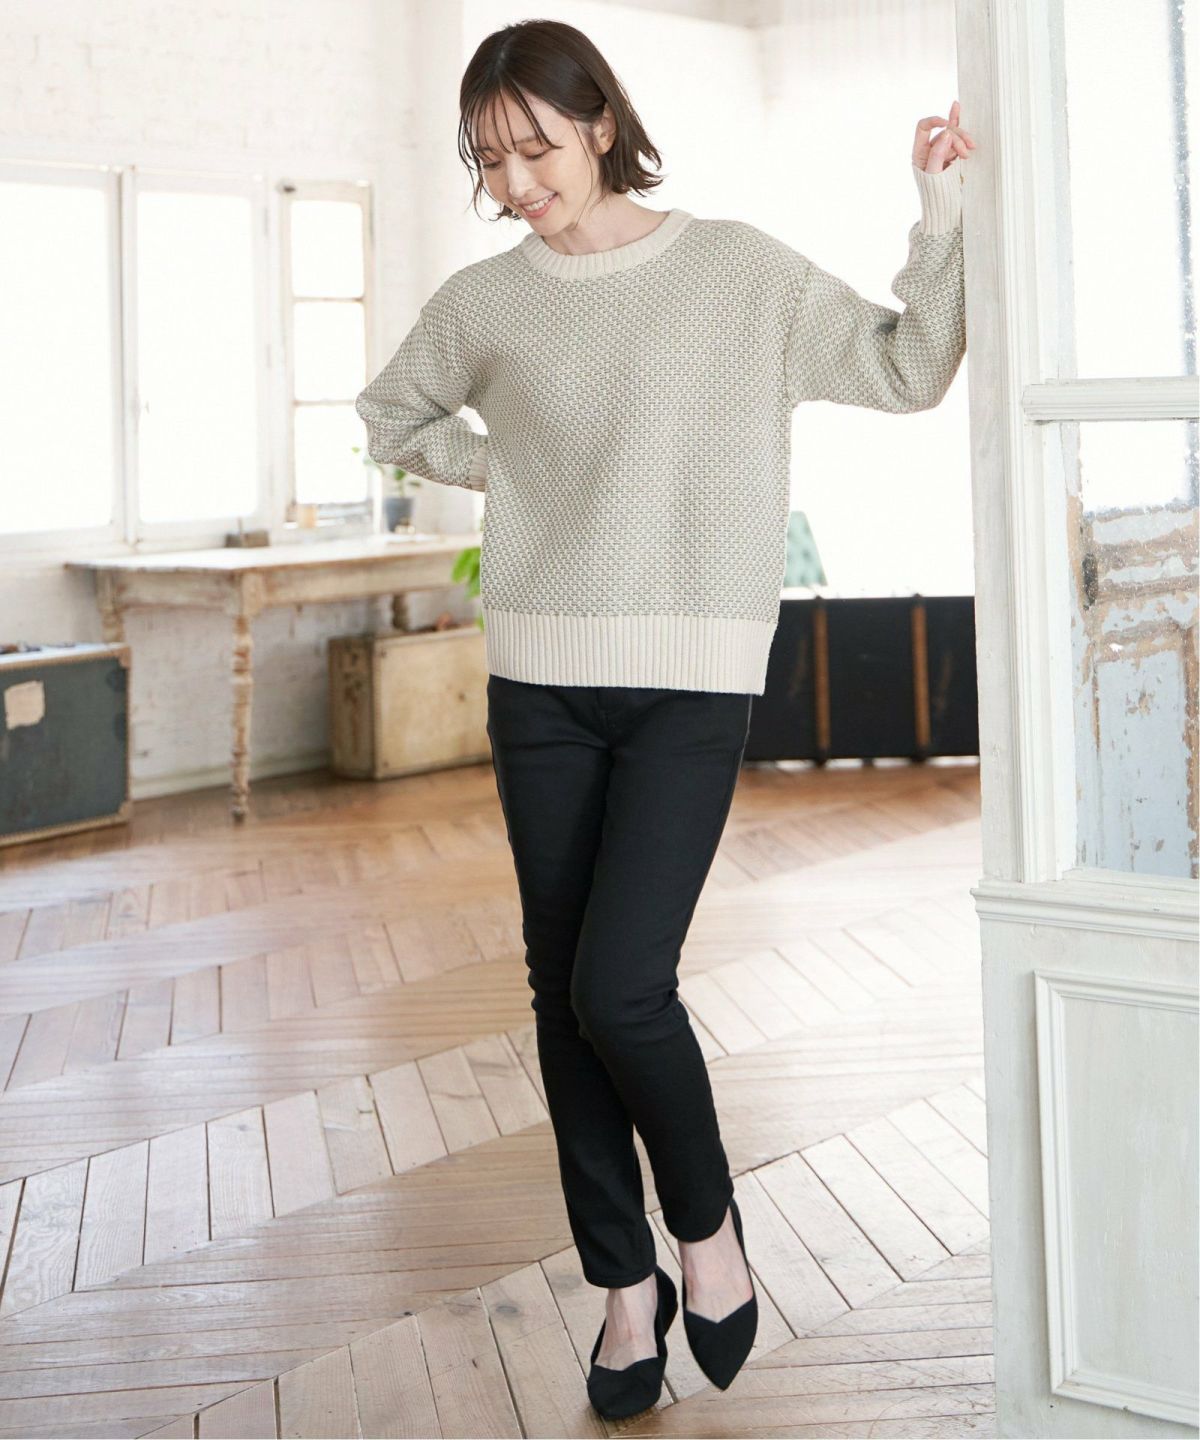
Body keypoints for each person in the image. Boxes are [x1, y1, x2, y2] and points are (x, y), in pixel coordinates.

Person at [356, 18, 974, 1419]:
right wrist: (511, 468)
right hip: (540, 677)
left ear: (599, 124)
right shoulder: (487, 302)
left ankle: (707, 1228)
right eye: (489, 160)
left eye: (536, 147)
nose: (516, 183)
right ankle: (623, 1288)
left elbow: (907, 368)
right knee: (560, 991)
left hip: (692, 673)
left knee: (619, 986)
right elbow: (392, 415)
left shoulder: (735, 271)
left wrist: (939, 214)